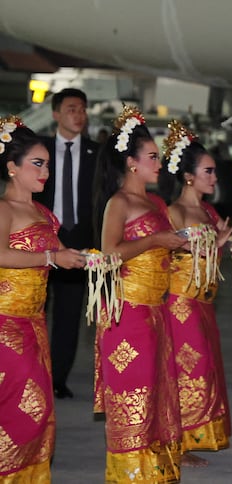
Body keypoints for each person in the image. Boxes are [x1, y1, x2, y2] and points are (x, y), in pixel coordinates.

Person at [93, 106, 186, 482]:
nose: (158, 163)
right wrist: (155, 240)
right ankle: (131, 473)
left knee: (158, 391)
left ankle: (155, 471)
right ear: (131, 163)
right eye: (152, 157)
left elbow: (162, 249)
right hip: (127, 312)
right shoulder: (120, 203)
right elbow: (109, 254)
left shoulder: (158, 203)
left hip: (155, 311)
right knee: (134, 392)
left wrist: (184, 245)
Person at [0, 117, 85, 482]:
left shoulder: (43, 213)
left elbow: (66, 254)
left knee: (39, 407)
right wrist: (50, 258)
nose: (46, 171)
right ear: (11, 168)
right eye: (38, 163)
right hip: (5, 323)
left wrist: (96, 260)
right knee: (23, 404)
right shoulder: (4, 209)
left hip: (34, 324)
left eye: (48, 163)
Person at [161, 120, 232, 466]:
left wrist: (219, 244)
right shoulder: (173, 212)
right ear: (189, 176)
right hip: (180, 303)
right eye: (208, 171)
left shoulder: (209, 212)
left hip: (204, 302)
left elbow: (210, 255)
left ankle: (188, 439)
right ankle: (177, 442)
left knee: (203, 369)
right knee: (188, 370)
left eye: (214, 171)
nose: (214, 177)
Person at [33, 88, 99, 399]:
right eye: (72, 108)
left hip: (79, 246)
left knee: (69, 315)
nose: (79, 114)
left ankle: (57, 378)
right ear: (56, 114)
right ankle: (30, 373)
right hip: (41, 243)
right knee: (34, 311)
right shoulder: (39, 150)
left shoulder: (96, 154)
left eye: (83, 109)